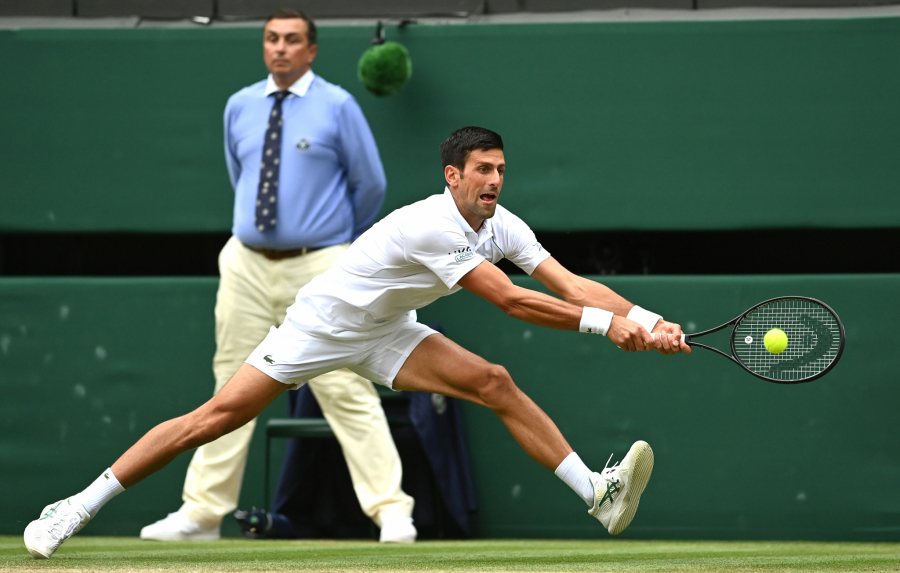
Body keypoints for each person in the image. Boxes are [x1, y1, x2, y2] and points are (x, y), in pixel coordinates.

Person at [24, 126, 691, 560]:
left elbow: (568, 283)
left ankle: (596, 496)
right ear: (452, 175)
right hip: (322, 325)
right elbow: (514, 300)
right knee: (214, 419)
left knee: (493, 381)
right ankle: (77, 506)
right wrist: (609, 327)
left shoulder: (502, 223)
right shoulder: (434, 224)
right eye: (482, 170)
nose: (494, 180)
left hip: (387, 331)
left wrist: (650, 318)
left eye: (502, 170)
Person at [138, 8, 416, 545]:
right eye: (271, 39)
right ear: (264, 47)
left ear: (311, 50)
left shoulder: (338, 104)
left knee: (345, 384)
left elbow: (371, 186)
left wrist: (331, 246)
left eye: (292, 40)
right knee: (229, 385)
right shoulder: (239, 106)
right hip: (244, 261)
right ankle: (200, 514)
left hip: (321, 263)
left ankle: (390, 511)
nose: (280, 48)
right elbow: (239, 175)